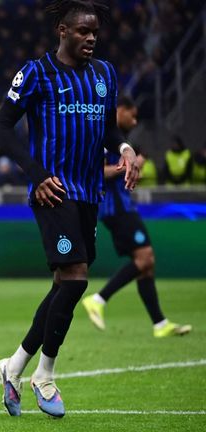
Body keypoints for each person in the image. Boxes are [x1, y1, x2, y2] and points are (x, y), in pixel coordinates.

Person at [0, 0, 139, 418]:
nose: (91, 37)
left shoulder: (105, 74)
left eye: (95, 32)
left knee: (65, 283)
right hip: (53, 191)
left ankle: (14, 366)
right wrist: (37, 174)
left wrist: (125, 149)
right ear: (62, 31)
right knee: (75, 280)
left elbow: (109, 130)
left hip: (91, 192)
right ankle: (45, 374)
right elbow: (1, 127)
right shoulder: (35, 73)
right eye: (82, 31)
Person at [81, 97, 191, 337]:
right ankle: (98, 299)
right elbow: (95, 171)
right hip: (116, 209)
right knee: (145, 258)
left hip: (123, 206)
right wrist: (128, 166)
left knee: (146, 266)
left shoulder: (120, 141)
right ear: (119, 111)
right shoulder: (104, 136)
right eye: (132, 114)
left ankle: (160, 324)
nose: (135, 120)